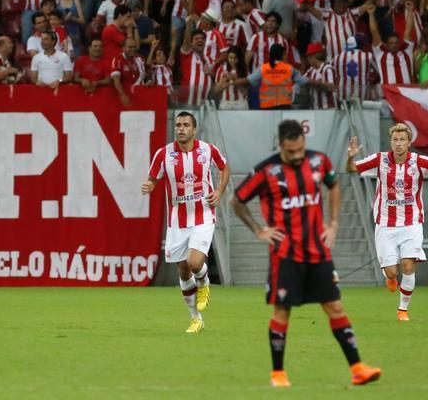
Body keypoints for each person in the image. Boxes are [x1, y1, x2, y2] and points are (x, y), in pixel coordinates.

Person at [232, 120, 383, 388]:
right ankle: (278, 374)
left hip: (318, 252)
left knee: (335, 306)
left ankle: (358, 368)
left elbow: (334, 185)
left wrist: (333, 223)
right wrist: (259, 230)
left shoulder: (319, 161)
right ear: (280, 146)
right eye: (291, 152)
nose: (298, 155)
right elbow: (237, 200)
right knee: (282, 312)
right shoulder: (266, 171)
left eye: (301, 149)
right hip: (285, 255)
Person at [347, 124, 428, 319]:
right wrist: (350, 157)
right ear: (391, 142)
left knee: (408, 265)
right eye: (395, 140)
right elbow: (352, 170)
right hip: (385, 224)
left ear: (409, 142)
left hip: (411, 223)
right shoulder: (380, 160)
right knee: (391, 272)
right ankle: (390, 278)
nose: (398, 144)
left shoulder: (419, 162)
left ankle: (402, 309)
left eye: (402, 140)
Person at [141, 112, 230, 334]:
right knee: (182, 270)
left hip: (203, 217)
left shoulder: (207, 150)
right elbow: (153, 177)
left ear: (194, 129)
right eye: (178, 125)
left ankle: (204, 283)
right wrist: (150, 185)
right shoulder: (163, 154)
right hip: (176, 222)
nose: (181, 128)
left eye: (186, 125)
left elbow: (224, 168)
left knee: (194, 263)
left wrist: (219, 191)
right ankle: (195, 319)